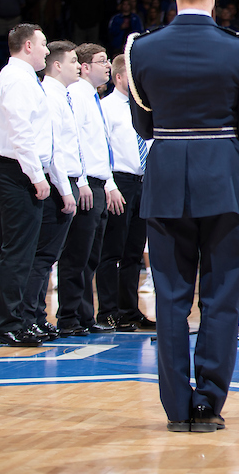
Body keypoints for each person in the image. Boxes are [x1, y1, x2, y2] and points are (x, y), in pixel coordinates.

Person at [127, 0, 239, 432]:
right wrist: (229, 165)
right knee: (222, 296)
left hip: (165, 181)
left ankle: (176, 407)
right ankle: (208, 402)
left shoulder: (141, 49)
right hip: (223, 180)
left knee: (169, 298)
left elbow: (143, 125)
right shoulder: (238, 48)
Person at [0, 23, 53, 348]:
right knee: (17, 252)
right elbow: (20, 131)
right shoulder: (17, 79)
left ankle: (12, 321)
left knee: (9, 251)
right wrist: (36, 175)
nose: (47, 50)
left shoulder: (19, 78)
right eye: (42, 44)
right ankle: (8, 324)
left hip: (11, 170)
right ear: (27, 46)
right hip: (16, 171)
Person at [62, 43, 124, 334]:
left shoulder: (93, 96)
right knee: (77, 256)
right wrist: (84, 182)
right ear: (85, 67)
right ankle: (69, 318)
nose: (108, 66)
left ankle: (85, 318)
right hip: (85, 184)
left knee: (91, 257)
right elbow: (74, 142)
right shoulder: (76, 93)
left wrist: (109, 184)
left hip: (99, 183)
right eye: (102, 61)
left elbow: (99, 148)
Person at [26, 40, 84, 342]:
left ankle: (36, 316)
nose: (79, 66)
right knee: (43, 256)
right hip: (55, 181)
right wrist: (65, 190)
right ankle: (31, 315)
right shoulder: (49, 95)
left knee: (47, 256)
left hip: (63, 180)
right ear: (58, 65)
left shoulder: (62, 95)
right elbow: (53, 151)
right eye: (74, 61)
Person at [96, 54, 155, 330]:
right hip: (119, 182)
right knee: (112, 251)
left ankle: (129, 310)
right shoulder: (105, 108)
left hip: (145, 181)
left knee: (134, 251)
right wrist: (109, 185)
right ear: (120, 77)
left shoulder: (146, 108)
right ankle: (107, 311)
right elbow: (100, 150)